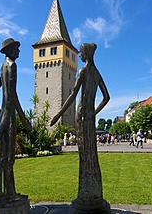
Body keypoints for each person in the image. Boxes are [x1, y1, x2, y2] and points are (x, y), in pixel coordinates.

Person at [50, 43, 110, 213]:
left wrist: (59, 114)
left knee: (85, 156)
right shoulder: (96, 73)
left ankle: (86, 196)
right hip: (89, 117)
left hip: (82, 115)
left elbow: (73, 95)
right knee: (92, 155)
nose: (80, 55)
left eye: (82, 52)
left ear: (87, 54)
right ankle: (94, 193)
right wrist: (94, 112)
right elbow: (107, 97)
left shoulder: (84, 71)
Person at [0, 38, 32, 206]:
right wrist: (23, 118)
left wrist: (1, 114)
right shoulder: (12, 65)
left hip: (4, 117)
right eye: (17, 49)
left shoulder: (2, 67)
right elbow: (12, 94)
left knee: (2, 158)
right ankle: (7, 195)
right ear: (11, 50)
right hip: (10, 117)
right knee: (8, 159)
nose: (19, 52)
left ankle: (1, 194)